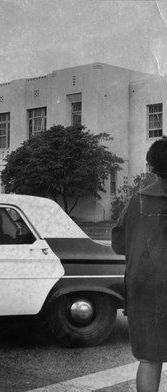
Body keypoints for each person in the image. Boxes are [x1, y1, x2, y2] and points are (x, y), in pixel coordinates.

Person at [112, 137, 167, 392]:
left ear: (153, 166)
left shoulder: (137, 201)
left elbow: (118, 244)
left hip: (145, 289)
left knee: (149, 358)